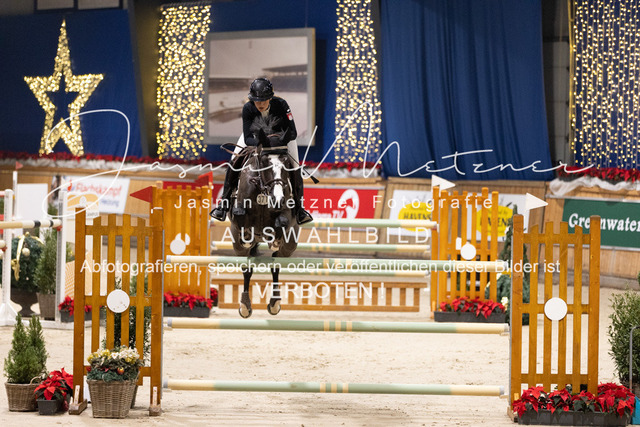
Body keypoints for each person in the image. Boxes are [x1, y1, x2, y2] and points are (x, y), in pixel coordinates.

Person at [210, 77, 313, 225]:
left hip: (282, 138)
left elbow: (293, 133)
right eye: (257, 101)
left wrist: (276, 141)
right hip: (256, 138)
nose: (260, 104)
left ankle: (299, 209)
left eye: (264, 100)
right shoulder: (248, 108)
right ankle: (223, 205)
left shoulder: (282, 104)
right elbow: (247, 138)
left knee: (295, 167)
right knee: (234, 162)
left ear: (270, 98)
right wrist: (262, 144)